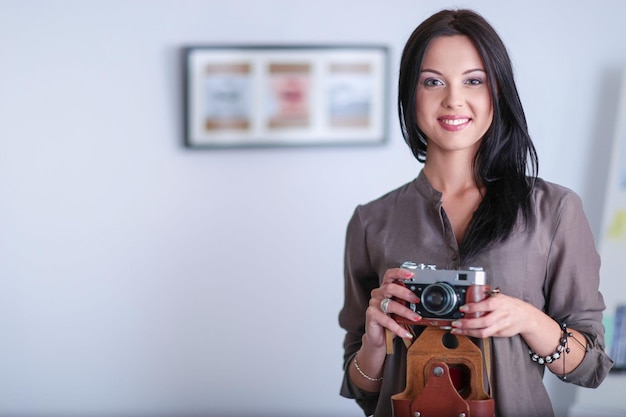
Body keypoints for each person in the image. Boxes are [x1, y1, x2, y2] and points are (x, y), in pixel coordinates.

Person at [338, 8, 613, 417]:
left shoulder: (554, 210)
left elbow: (590, 368)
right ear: (409, 93)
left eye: (474, 80)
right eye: (433, 82)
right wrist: (374, 345)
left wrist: (526, 319)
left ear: (496, 92)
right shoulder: (370, 221)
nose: (453, 99)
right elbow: (360, 387)